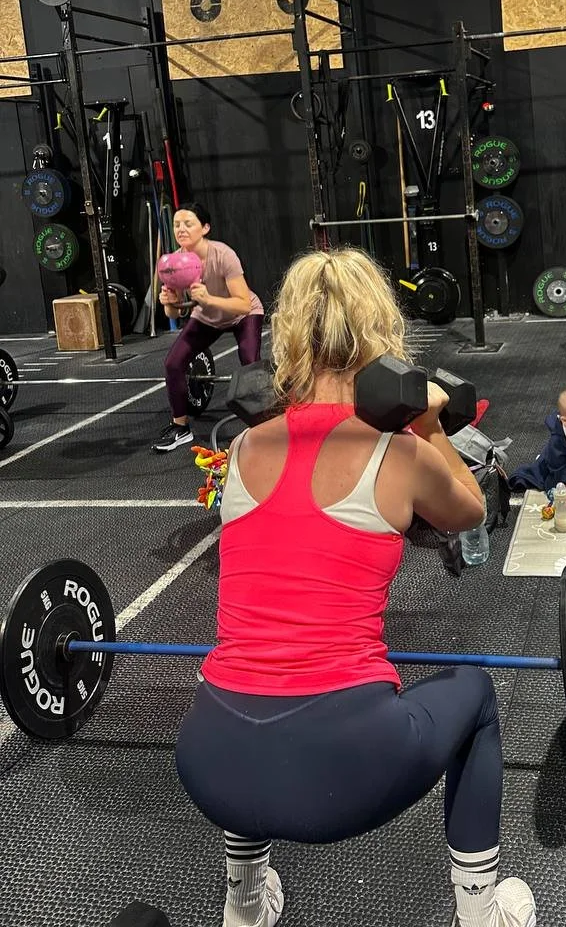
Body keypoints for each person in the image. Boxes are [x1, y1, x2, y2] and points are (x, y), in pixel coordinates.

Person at [175, 247, 536, 927]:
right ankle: (482, 913)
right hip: (344, 773)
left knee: (250, 674)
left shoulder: (244, 450)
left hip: (209, 758)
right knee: (476, 693)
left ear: (289, 339)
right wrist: (425, 419)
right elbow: (469, 512)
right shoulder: (397, 453)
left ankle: (245, 901)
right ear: (380, 338)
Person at [153, 202, 264, 453]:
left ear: (205, 228)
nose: (181, 229)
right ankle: (180, 428)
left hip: (241, 315)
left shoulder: (223, 255)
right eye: (176, 224)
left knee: (250, 361)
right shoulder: (174, 263)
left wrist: (208, 299)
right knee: (173, 363)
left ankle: (260, 425)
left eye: (188, 223)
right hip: (207, 317)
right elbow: (173, 312)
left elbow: (243, 304)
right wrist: (169, 304)